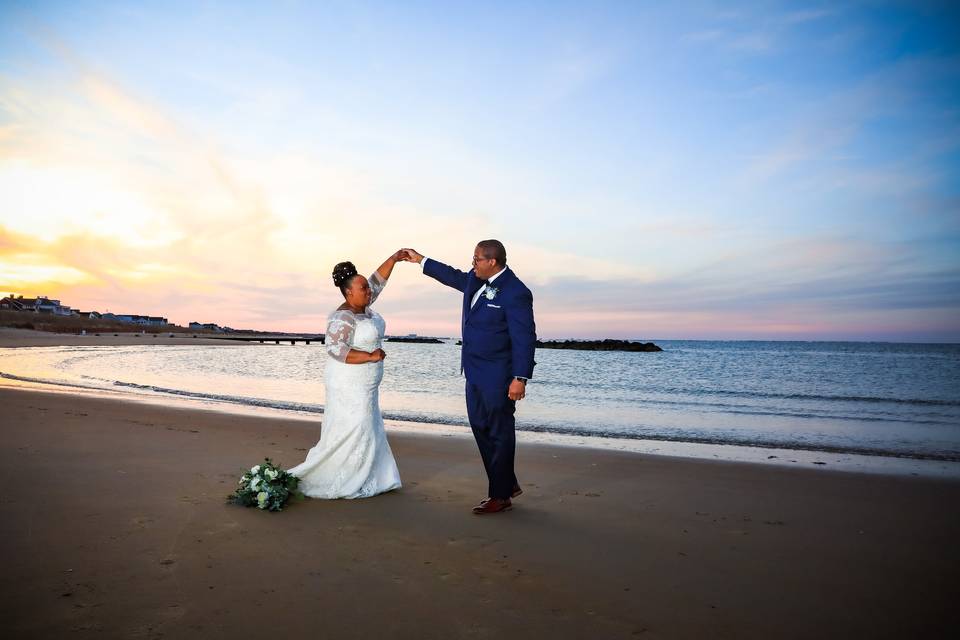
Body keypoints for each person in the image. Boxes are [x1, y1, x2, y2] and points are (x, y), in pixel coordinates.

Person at [402, 241, 536, 514]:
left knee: (499, 431)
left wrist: (520, 377)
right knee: (480, 427)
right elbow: (451, 275)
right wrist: (420, 260)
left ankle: (500, 495)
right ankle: (506, 484)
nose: (472, 263)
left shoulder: (516, 292)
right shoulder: (476, 280)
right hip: (473, 371)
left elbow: (524, 338)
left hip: (499, 375)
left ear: (492, 262)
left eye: (476, 259)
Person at [288, 251, 406, 499]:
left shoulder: (364, 305)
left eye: (367, 287)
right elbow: (335, 349)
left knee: (367, 425)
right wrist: (370, 356)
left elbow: (377, 281)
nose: (369, 291)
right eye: (363, 288)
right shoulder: (343, 316)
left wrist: (394, 259)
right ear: (349, 292)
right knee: (355, 425)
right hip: (347, 382)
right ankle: (348, 476)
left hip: (366, 385)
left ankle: (373, 476)